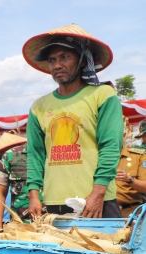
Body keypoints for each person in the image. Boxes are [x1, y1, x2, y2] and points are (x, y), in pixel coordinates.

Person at [23, 24, 123, 219]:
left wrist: (98, 192)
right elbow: (35, 154)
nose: (57, 65)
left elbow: (110, 146)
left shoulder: (103, 95)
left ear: (83, 60)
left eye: (65, 57)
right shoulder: (39, 106)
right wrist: (34, 194)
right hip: (54, 202)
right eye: (52, 60)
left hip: (95, 201)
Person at [115, 121, 146, 217]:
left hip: (129, 213)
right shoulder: (96, 156)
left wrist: (129, 179)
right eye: (143, 136)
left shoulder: (138, 156)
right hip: (102, 211)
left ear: (124, 135)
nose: (144, 139)